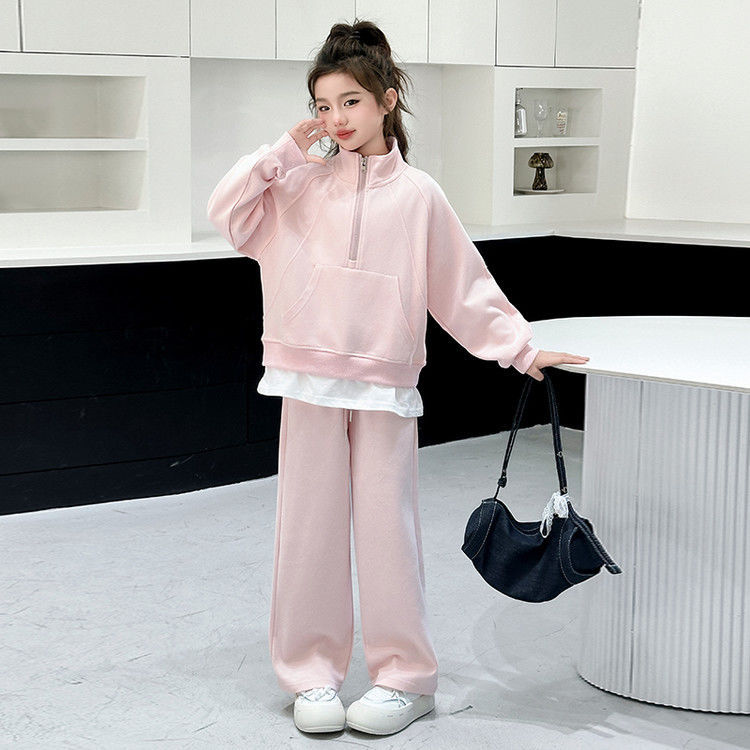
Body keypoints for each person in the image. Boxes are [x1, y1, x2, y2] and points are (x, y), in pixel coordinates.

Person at [206, 18, 590, 737]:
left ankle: (403, 679)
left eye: (350, 101)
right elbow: (226, 214)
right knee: (306, 536)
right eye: (323, 105)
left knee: (390, 537)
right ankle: (310, 674)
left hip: (384, 387)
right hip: (306, 381)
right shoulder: (295, 187)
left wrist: (520, 348)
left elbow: (462, 286)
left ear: (387, 100)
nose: (336, 119)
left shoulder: (418, 195)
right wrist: (283, 153)